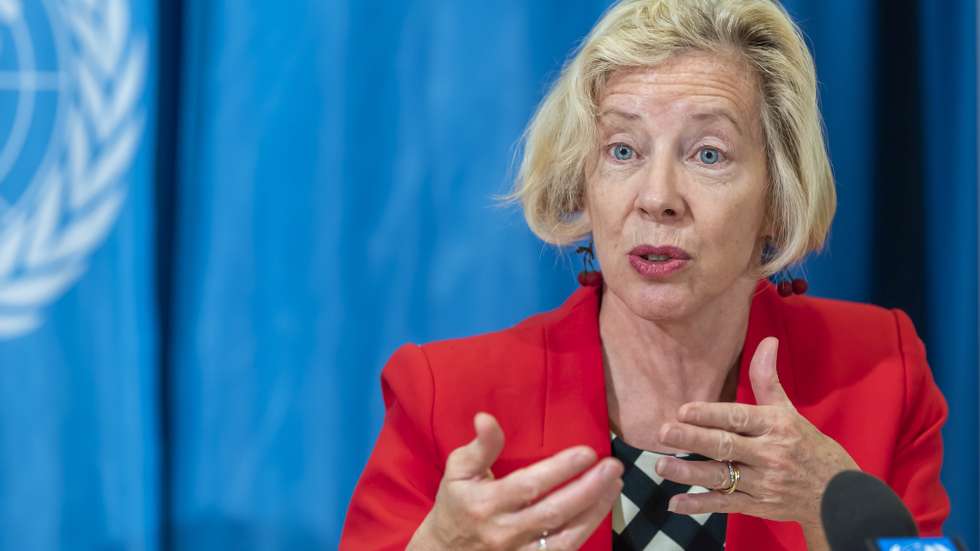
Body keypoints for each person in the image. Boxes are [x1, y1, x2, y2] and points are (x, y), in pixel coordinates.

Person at [339, 0, 950, 549]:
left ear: (778, 194)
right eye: (623, 150)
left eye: (708, 153)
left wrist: (830, 503)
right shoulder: (448, 395)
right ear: (584, 182)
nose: (657, 197)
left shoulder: (879, 374)